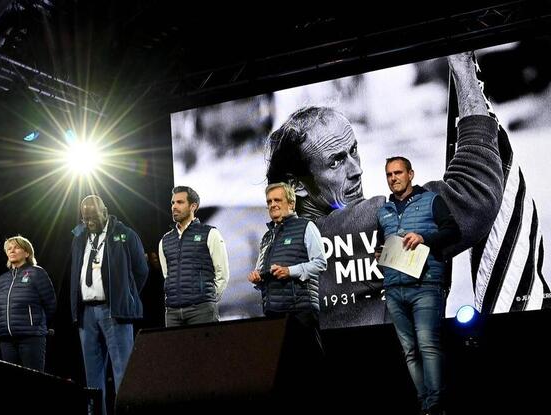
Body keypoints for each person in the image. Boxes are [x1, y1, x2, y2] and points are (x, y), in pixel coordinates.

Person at [266, 52, 502, 328]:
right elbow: (475, 195)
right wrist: (462, 66)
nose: (357, 170)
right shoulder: (368, 224)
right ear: (297, 186)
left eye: (353, 150)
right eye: (336, 161)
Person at [375, 157, 460, 415]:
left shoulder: (431, 200)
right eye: (389, 174)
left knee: (427, 345)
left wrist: (424, 238)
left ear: (410, 174)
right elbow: (382, 243)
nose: (393, 178)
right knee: (410, 350)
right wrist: (380, 254)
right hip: (394, 287)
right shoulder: (384, 211)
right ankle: (425, 407)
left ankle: (437, 407)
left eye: (398, 172)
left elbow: (453, 231)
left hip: (425, 284)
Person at [70, 195, 148, 415]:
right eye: (85, 219)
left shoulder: (125, 234)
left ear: (105, 212)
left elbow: (141, 271)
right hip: (86, 313)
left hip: (114, 312)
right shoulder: (78, 237)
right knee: (92, 376)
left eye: (93, 217)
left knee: (123, 371)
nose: (89, 222)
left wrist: (126, 296)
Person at [247, 182, 327, 341]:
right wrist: (258, 278)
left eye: (277, 200)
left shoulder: (306, 226)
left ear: (291, 203)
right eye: (269, 202)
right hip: (273, 313)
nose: (272, 204)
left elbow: (320, 263)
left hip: (301, 312)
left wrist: (290, 271)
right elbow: (261, 271)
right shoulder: (267, 237)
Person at [159, 186, 230, 327]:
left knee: (205, 349)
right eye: (173, 203)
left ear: (193, 206)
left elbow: (223, 274)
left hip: (201, 311)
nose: (174, 206)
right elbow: (167, 275)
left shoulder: (210, 233)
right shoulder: (165, 240)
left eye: (180, 202)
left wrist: (206, 300)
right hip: (172, 313)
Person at [0, 235, 56, 371]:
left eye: (16, 247)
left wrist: (37, 324)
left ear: (27, 253)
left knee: (32, 383)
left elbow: (50, 303)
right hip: (7, 339)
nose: (12, 250)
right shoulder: (2, 279)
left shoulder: (37, 273)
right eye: (9, 249)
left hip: (31, 337)